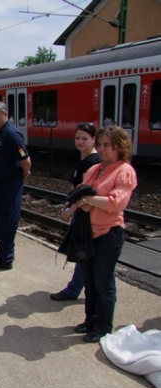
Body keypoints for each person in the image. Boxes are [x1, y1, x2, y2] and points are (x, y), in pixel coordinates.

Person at [61, 126, 137, 343]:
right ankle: (90, 320)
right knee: (90, 281)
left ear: (119, 147)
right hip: (88, 232)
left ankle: (103, 326)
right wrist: (74, 206)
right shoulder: (95, 169)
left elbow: (115, 203)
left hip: (108, 234)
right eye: (100, 144)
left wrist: (87, 201)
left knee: (103, 283)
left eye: (107, 145)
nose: (102, 149)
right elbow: (79, 192)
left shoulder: (124, 171)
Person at [51, 122, 101, 301]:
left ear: (93, 139)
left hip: (88, 214)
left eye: (85, 138)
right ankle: (81, 289)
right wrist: (68, 202)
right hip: (82, 212)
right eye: (77, 138)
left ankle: (74, 290)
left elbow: (86, 192)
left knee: (83, 252)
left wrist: (70, 210)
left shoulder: (93, 162)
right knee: (85, 254)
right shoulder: (82, 158)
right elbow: (76, 189)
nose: (80, 142)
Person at [0, 101, 31, 270]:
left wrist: (24, 173)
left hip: (8, 187)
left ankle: (6, 259)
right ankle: (3, 251)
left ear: (5, 115)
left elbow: (25, 159)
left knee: (6, 221)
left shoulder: (11, 134)